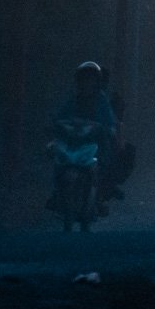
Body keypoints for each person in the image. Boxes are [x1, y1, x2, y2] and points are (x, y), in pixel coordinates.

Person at [52, 61, 120, 215]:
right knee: (58, 159)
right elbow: (61, 115)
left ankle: (99, 196)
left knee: (104, 160)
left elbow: (109, 120)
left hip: (93, 142)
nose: (87, 83)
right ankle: (57, 194)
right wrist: (56, 124)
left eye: (90, 80)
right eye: (84, 80)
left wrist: (108, 128)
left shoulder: (101, 100)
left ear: (97, 82)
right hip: (74, 141)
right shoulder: (73, 99)